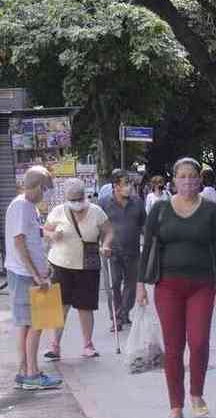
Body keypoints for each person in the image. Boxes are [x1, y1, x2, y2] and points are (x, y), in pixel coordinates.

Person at [136, 157, 216, 418]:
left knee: (198, 342)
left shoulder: (210, 211)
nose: (187, 181)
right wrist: (140, 284)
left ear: (199, 180)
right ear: (173, 180)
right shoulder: (160, 209)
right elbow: (148, 249)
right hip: (168, 286)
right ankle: (175, 404)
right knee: (173, 346)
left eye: (192, 176)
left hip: (202, 285)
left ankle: (197, 394)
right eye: (182, 176)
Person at [5, 166, 63, 390]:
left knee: (29, 324)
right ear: (39, 186)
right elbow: (19, 242)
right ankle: (32, 373)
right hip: (24, 275)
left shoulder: (27, 207)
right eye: (47, 189)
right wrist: (36, 275)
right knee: (37, 323)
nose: (47, 193)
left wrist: (43, 266)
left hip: (27, 273)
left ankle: (26, 371)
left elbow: (32, 239)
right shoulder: (21, 206)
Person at [42, 179, 113, 360]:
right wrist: (53, 235)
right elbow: (45, 231)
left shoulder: (96, 211)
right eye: (72, 199)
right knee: (60, 306)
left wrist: (106, 245)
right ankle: (54, 346)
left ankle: (88, 345)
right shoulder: (58, 211)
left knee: (85, 306)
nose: (77, 202)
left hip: (87, 265)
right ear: (66, 198)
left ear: (85, 195)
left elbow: (109, 231)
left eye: (79, 198)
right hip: (60, 264)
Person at [99, 169, 146, 331]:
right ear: (115, 186)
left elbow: (143, 224)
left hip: (132, 251)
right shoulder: (104, 203)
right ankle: (116, 318)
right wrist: (102, 244)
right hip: (112, 252)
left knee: (131, 285)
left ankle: (124, 312)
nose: (130, 187)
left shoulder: (138, 202)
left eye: (130, 184)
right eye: (126, 184)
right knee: (114, 284)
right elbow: (98, 226)